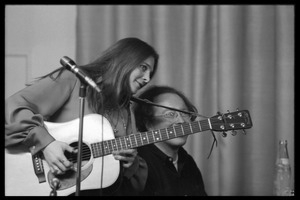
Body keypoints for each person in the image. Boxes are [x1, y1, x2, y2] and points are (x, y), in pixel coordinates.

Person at [5, 37, 159, 196]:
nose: (147, 78)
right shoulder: (73, 80)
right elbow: (13, 106)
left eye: (150, 73)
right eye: (143, 67)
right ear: (125, 59)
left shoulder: (126, 111)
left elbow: (130, 185)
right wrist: (47, 144)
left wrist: (131, 163)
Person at [133, 85, 207, 196]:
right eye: (170, 114)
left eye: (184, 113)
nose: (181, 121)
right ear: (149, 124)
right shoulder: (138, 164)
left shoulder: (187, 161)